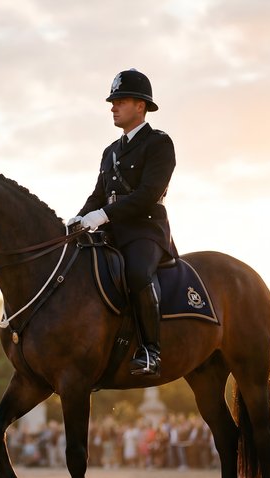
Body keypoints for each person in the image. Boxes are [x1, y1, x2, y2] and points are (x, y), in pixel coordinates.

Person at [69, 68, 177, 377]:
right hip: (114, 230)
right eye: (113, 102)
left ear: (140, 106)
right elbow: (98, 195)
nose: (113, 107)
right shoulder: (110, 151)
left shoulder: (159, 143)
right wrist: (78, 218)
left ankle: (150, 351)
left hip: (146, 229)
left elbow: (147, 194)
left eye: (120, 101)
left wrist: (102, 215)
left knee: (137, 273)